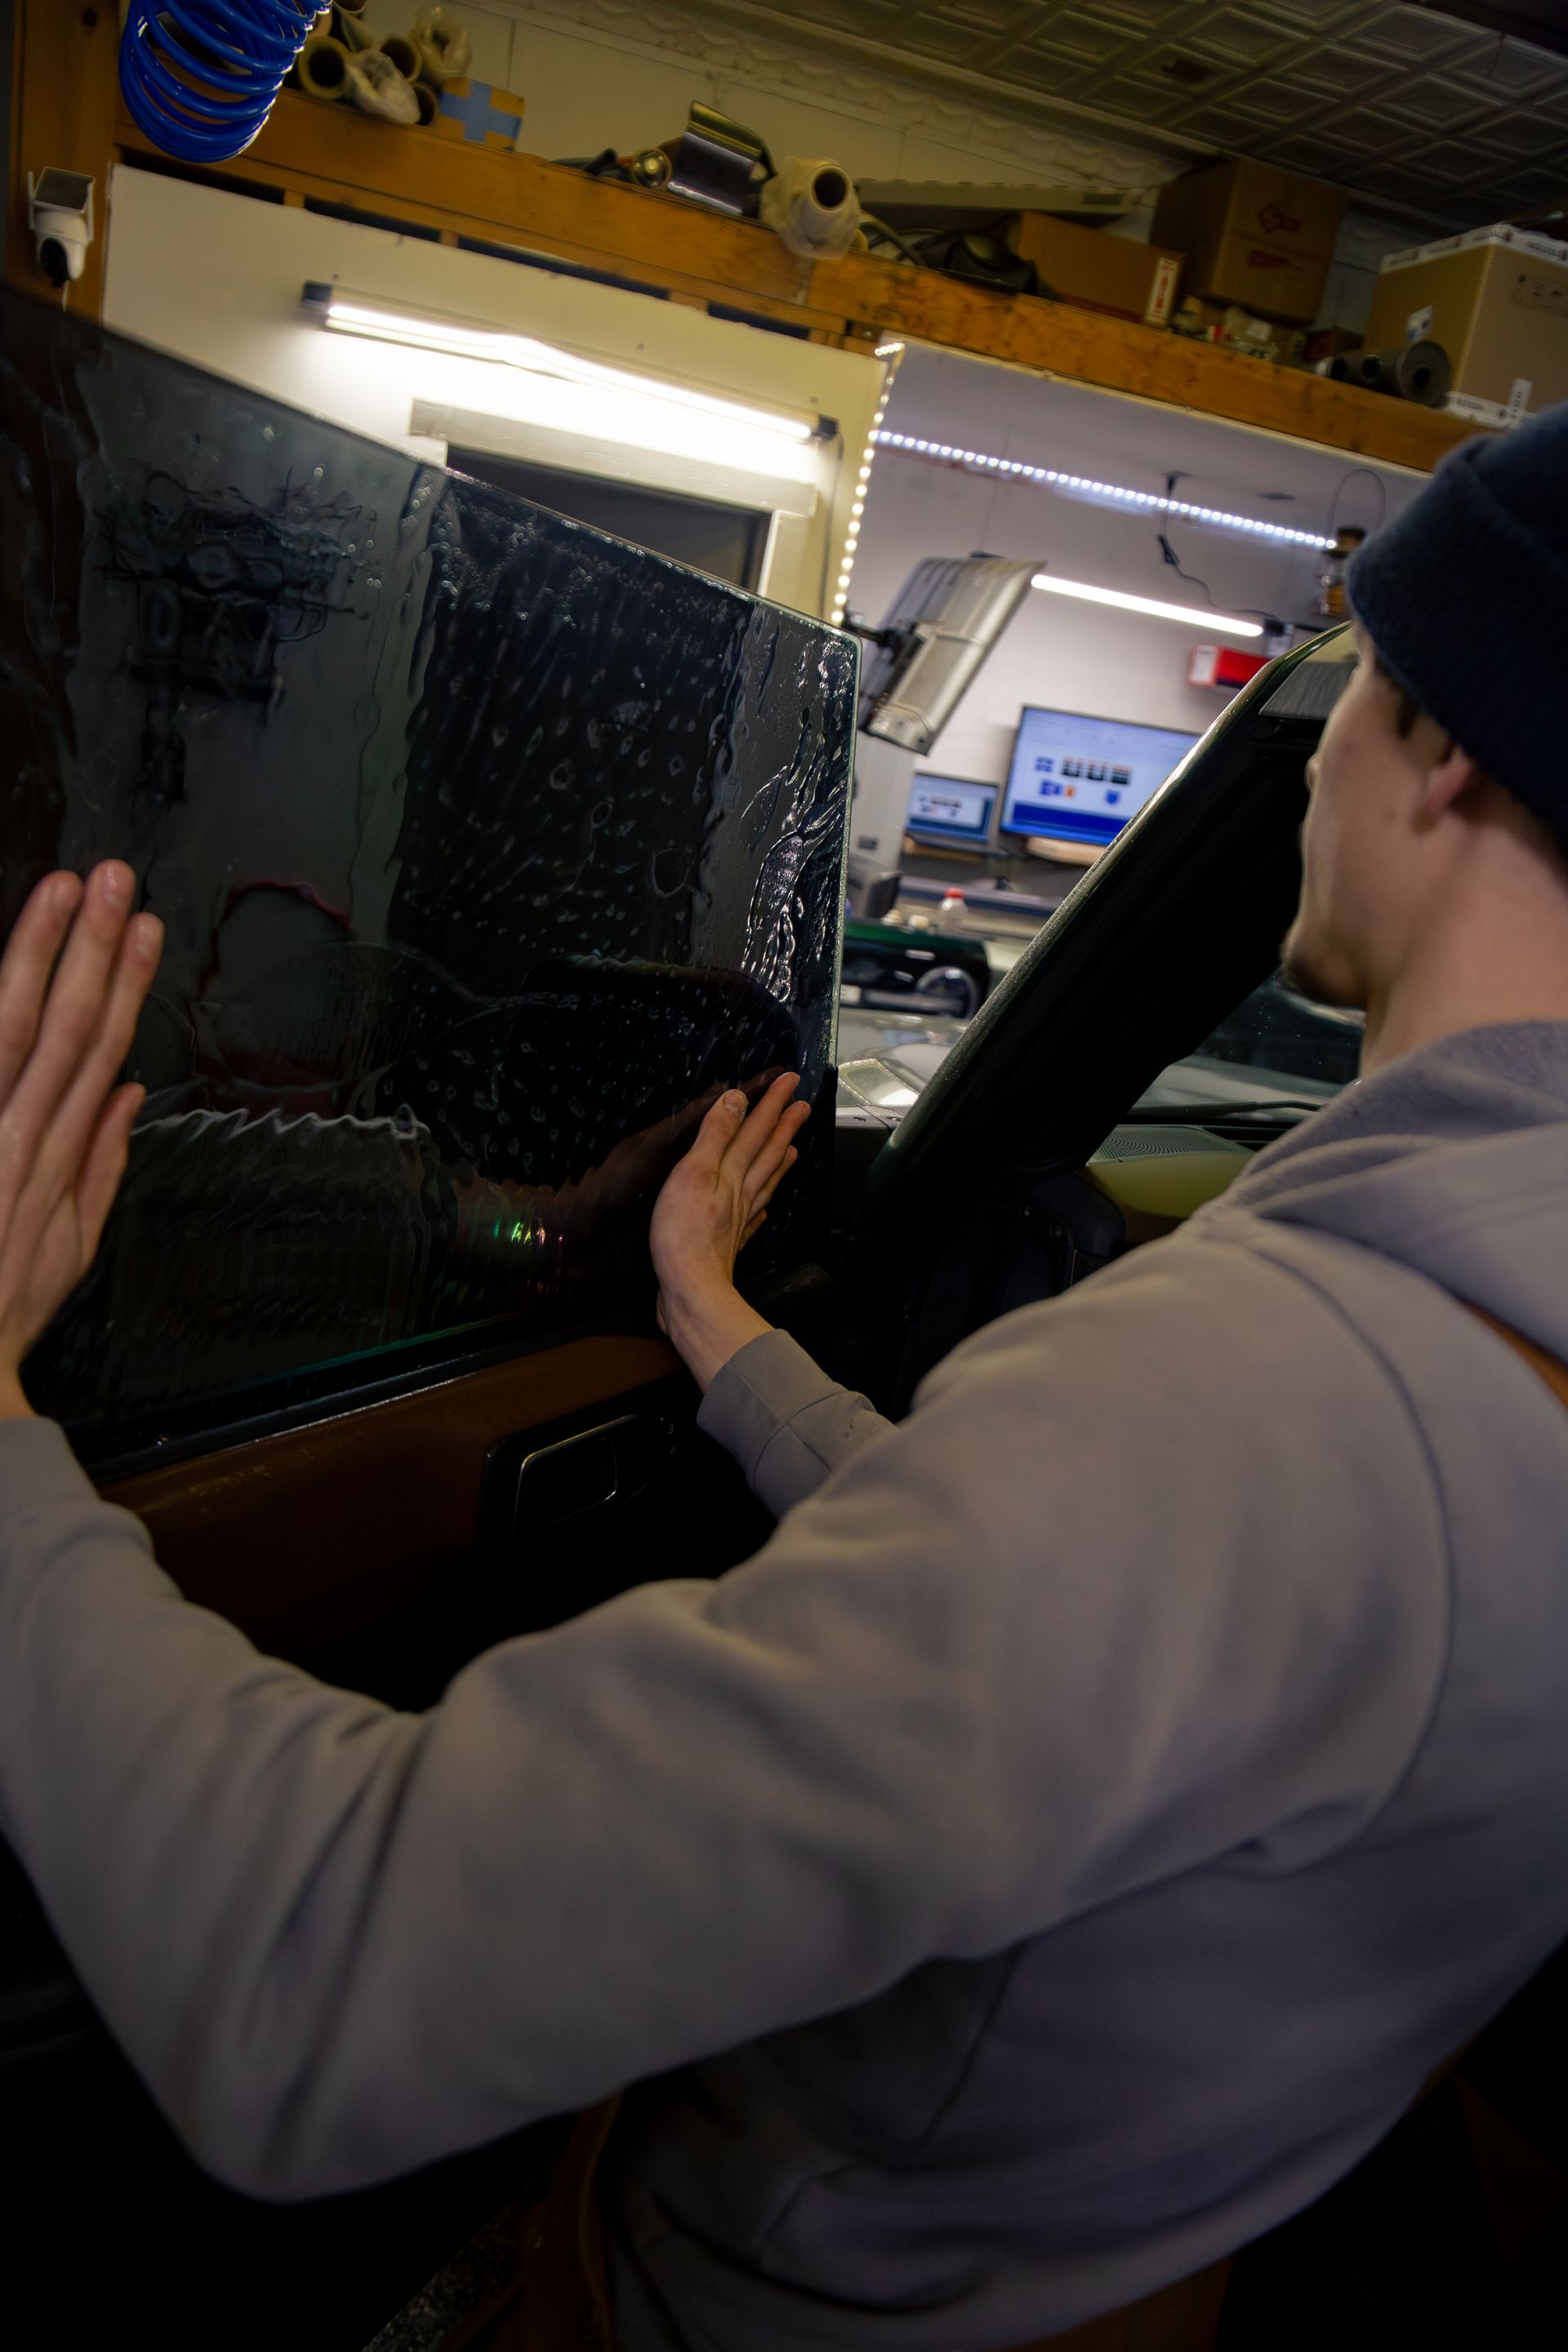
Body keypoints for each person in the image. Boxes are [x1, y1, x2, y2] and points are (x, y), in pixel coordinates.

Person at [2, 403, 1568, 2351]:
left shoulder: (1250, 1400)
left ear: (1445, 744)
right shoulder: (1485, 1375)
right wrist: (718, 1322)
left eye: (1345, 686)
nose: (1315, 747)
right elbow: (1091, 1625)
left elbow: (311, 1978)